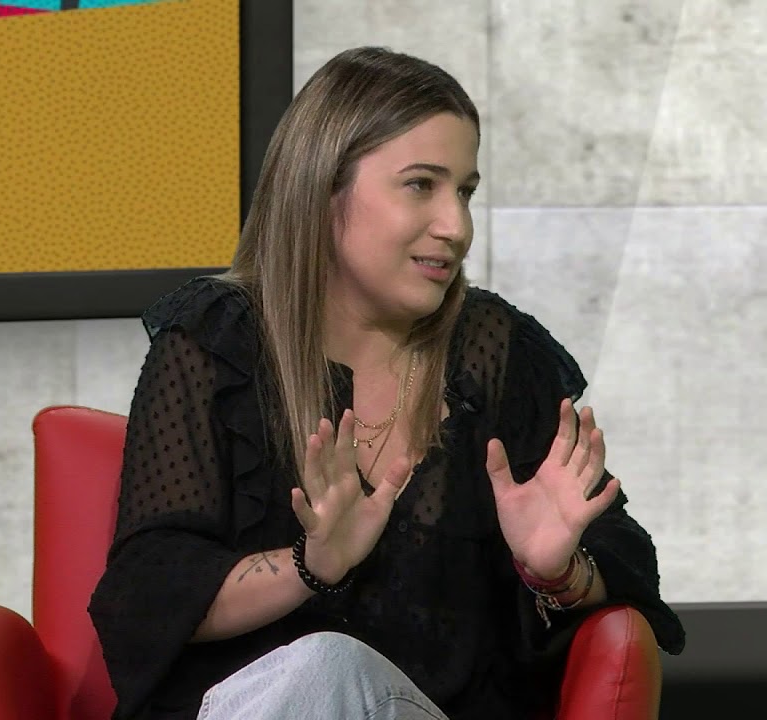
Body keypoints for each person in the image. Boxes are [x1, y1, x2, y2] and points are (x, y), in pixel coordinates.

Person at [87, 46, 685, 720]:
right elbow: (146, 594)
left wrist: (557, 570)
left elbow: (624, 553)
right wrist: (311, 566)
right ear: (324, 188)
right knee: (320, 670)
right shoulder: (216, 343)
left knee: (329, 667)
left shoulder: (494, 353)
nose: (455, 226)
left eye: (465, 192)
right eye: (421, 185)